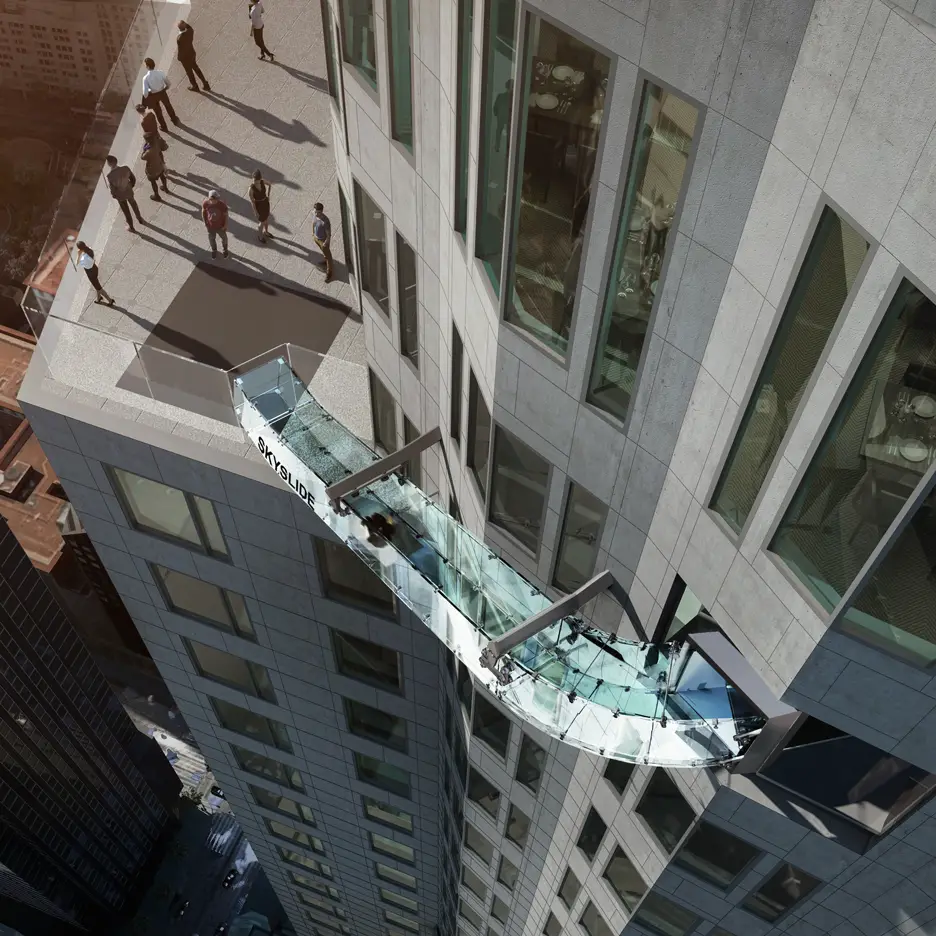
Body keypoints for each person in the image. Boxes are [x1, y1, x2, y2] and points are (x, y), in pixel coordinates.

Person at [104, 155, 143, 232]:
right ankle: (139, 218)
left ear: (109, 164)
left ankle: (131, 226)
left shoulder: (110, 176)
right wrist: (130, 186)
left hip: (120, 195)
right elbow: (133, 178)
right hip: (128, 191)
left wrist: (114, 195)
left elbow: (113, 190)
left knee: (126, 211)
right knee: (134, 204)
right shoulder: (125, 168)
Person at [141, 57, 179, 130]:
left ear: (148, 66)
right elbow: (168, 84)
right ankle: (174, 119)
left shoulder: (145, 78)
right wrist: (164, 89)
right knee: (168, 106)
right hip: (162, 92)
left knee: (158, 112)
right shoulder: (160, 72)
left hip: (153, 96)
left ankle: (164, 126)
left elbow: (145, 93)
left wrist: (150, 91)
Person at [75, 242, 114, 306]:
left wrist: (79, 254)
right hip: (95, 269)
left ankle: (110, 300)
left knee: (98, 287)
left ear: (80, 249)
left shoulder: (84, 258)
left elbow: (77, 263)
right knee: (96, 284)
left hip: (90, 273)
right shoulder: (90, 250)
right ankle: (98, 298)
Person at [176, 20, 211, 92]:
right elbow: (189, 27)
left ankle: (195, 86)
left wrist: (179, 58)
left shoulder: (179, 38)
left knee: (189, 72)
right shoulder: (190, 31)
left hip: (185, 58)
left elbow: (180, 50)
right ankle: (205, 83)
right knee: (196, 68)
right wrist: (184, 24)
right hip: (192, 53)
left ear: (179, 29)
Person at [141, 131, 170, 201]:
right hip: (159, 164)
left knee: (153, 182)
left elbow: (142, 157)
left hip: (152, 169)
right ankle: (165, 188)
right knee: (162, 176)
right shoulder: (157, 143)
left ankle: (156, 195)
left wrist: (144, 149)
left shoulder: (148, 152)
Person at [202, 189, 229, 258]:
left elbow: (226, 214)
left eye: (216, 198)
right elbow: (203, 211)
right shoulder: (205, 203)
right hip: (210, 227)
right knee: (211, 239)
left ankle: (225, 250)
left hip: (220, 226)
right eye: (213, 199)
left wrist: (225, 225)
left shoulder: (221, 204)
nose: (215, 200)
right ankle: (214, 250)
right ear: (210, 198)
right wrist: (205, 222)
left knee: (224, 238)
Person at [248, 170, 272, 242]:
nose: (255, 182)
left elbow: (270, 184)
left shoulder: (262, 181)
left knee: (266, 218)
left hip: (265, 202)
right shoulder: (251, 189)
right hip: (259, 206)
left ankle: (266, 231)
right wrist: (255, 212)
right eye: (254, 180)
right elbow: (252, 201)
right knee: (261, 222)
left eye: (256, 180)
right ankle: (260, 236)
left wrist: (268, 194)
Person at [312, 202, 333, 283]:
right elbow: (313, 223)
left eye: (318, 212)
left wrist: (326, 243)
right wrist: (313, 233)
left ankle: (329, 272)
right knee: (324, 253)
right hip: (317, 238)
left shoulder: (325, 221)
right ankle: (325, 260)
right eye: (315, 212)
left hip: (323, 240)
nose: (316, 214)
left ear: (322, 211)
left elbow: (328, 234)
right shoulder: (314, 215)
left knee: (328, 257)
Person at [493, 79, 513, 152]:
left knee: (498, 131)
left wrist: (496, 114)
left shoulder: (500, 96)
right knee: (510, 133)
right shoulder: (513, 98)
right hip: (509, 117)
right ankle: (509, 149)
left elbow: (495, 107)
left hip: (500, 116)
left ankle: (497, 147)